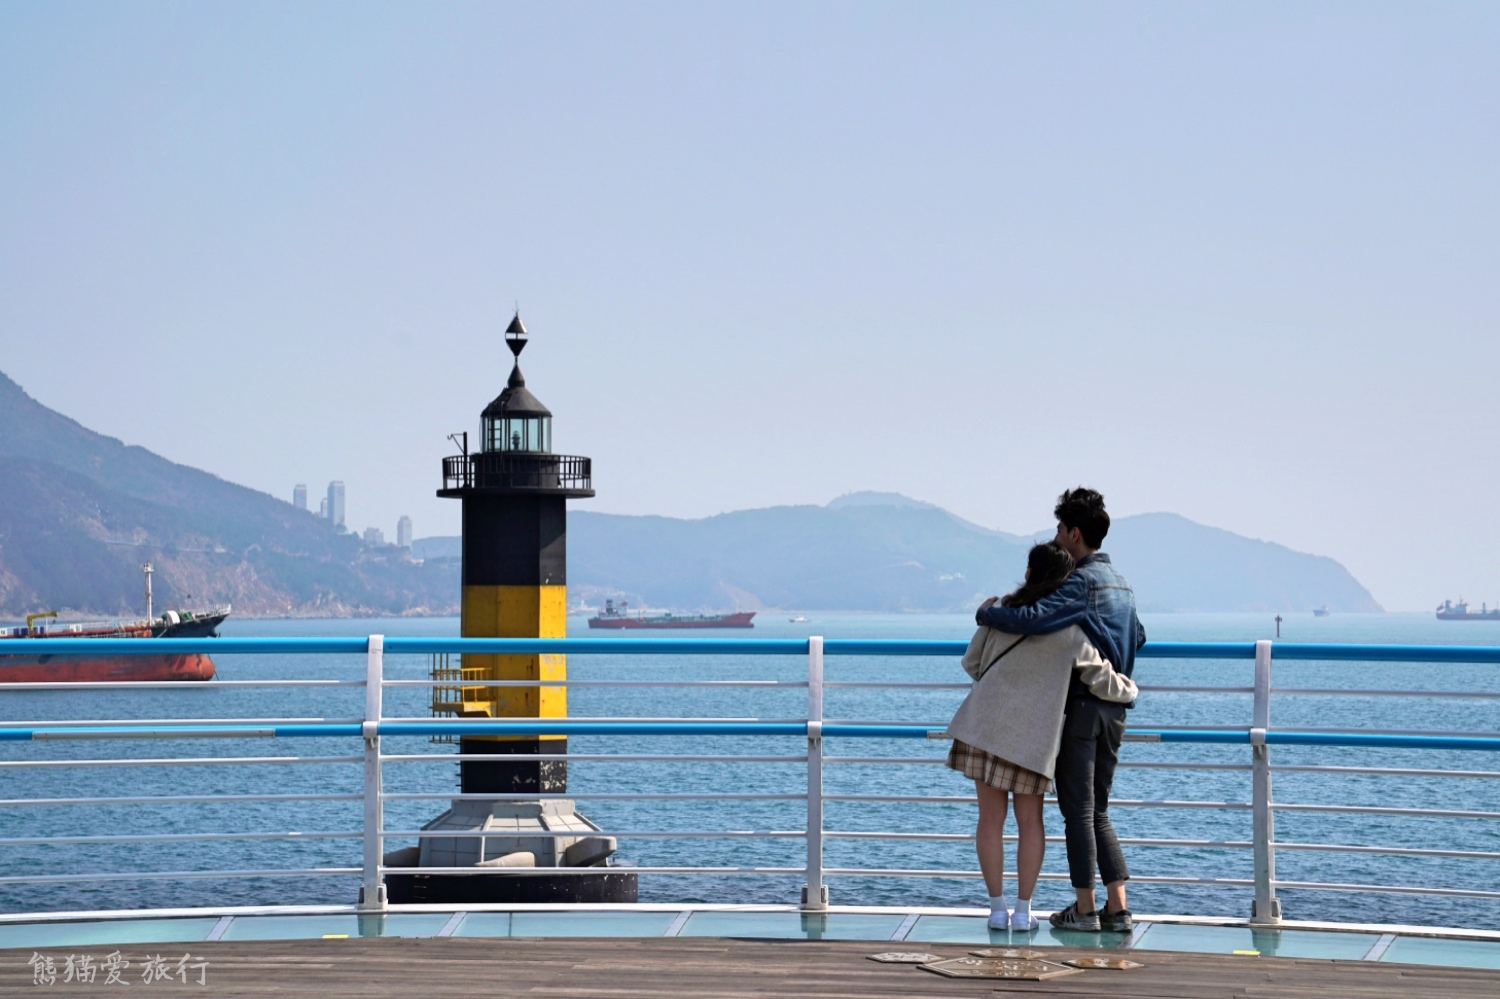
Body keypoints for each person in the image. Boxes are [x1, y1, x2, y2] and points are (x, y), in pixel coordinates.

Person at [975, 487, 1145, 933]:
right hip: (1115, 710)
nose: (1056, 536)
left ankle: (1085, 911)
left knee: (1079, 811)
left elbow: (1034, 618)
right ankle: (1118, 907)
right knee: (1100, 811)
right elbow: (1138, 635)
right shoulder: (1122, 583)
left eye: (1058, 529)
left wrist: (988, 614)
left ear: (1073, 533)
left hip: (1083, 710)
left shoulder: (1080, 582)